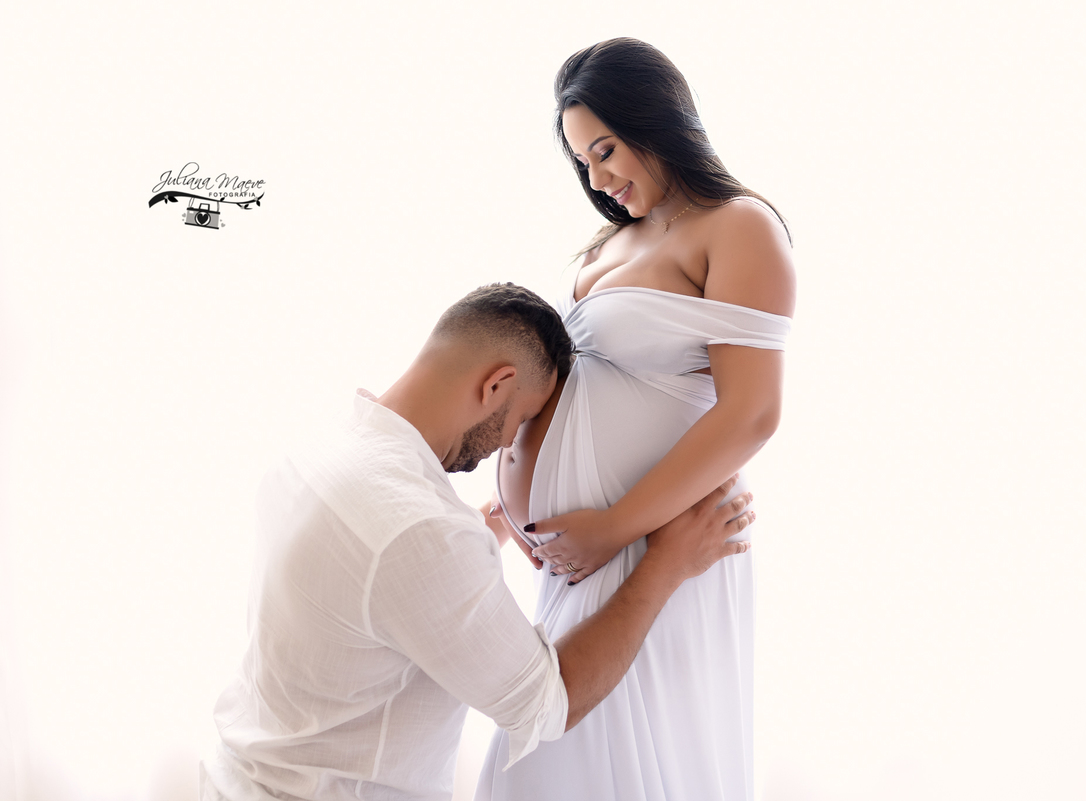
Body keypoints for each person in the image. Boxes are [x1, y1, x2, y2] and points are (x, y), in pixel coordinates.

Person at [199, 283, 756, 801]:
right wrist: (666, 563)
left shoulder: (326, 450)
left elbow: (382, 573)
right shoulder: (420, 531)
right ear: (496, 385)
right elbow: (547, 703)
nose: (510, 442)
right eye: (523, 420)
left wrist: (493, 522)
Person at [475, 40, 796, 801]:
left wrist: (614, 526)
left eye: (606, 149)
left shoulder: (737, 226)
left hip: (654, 539)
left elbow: (752, 413)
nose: (597, 178)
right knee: (551, 748)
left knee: (588, 750)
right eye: (582, 161)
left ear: (658, 119)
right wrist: (511, 506)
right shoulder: (612, 241)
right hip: (585, 549)